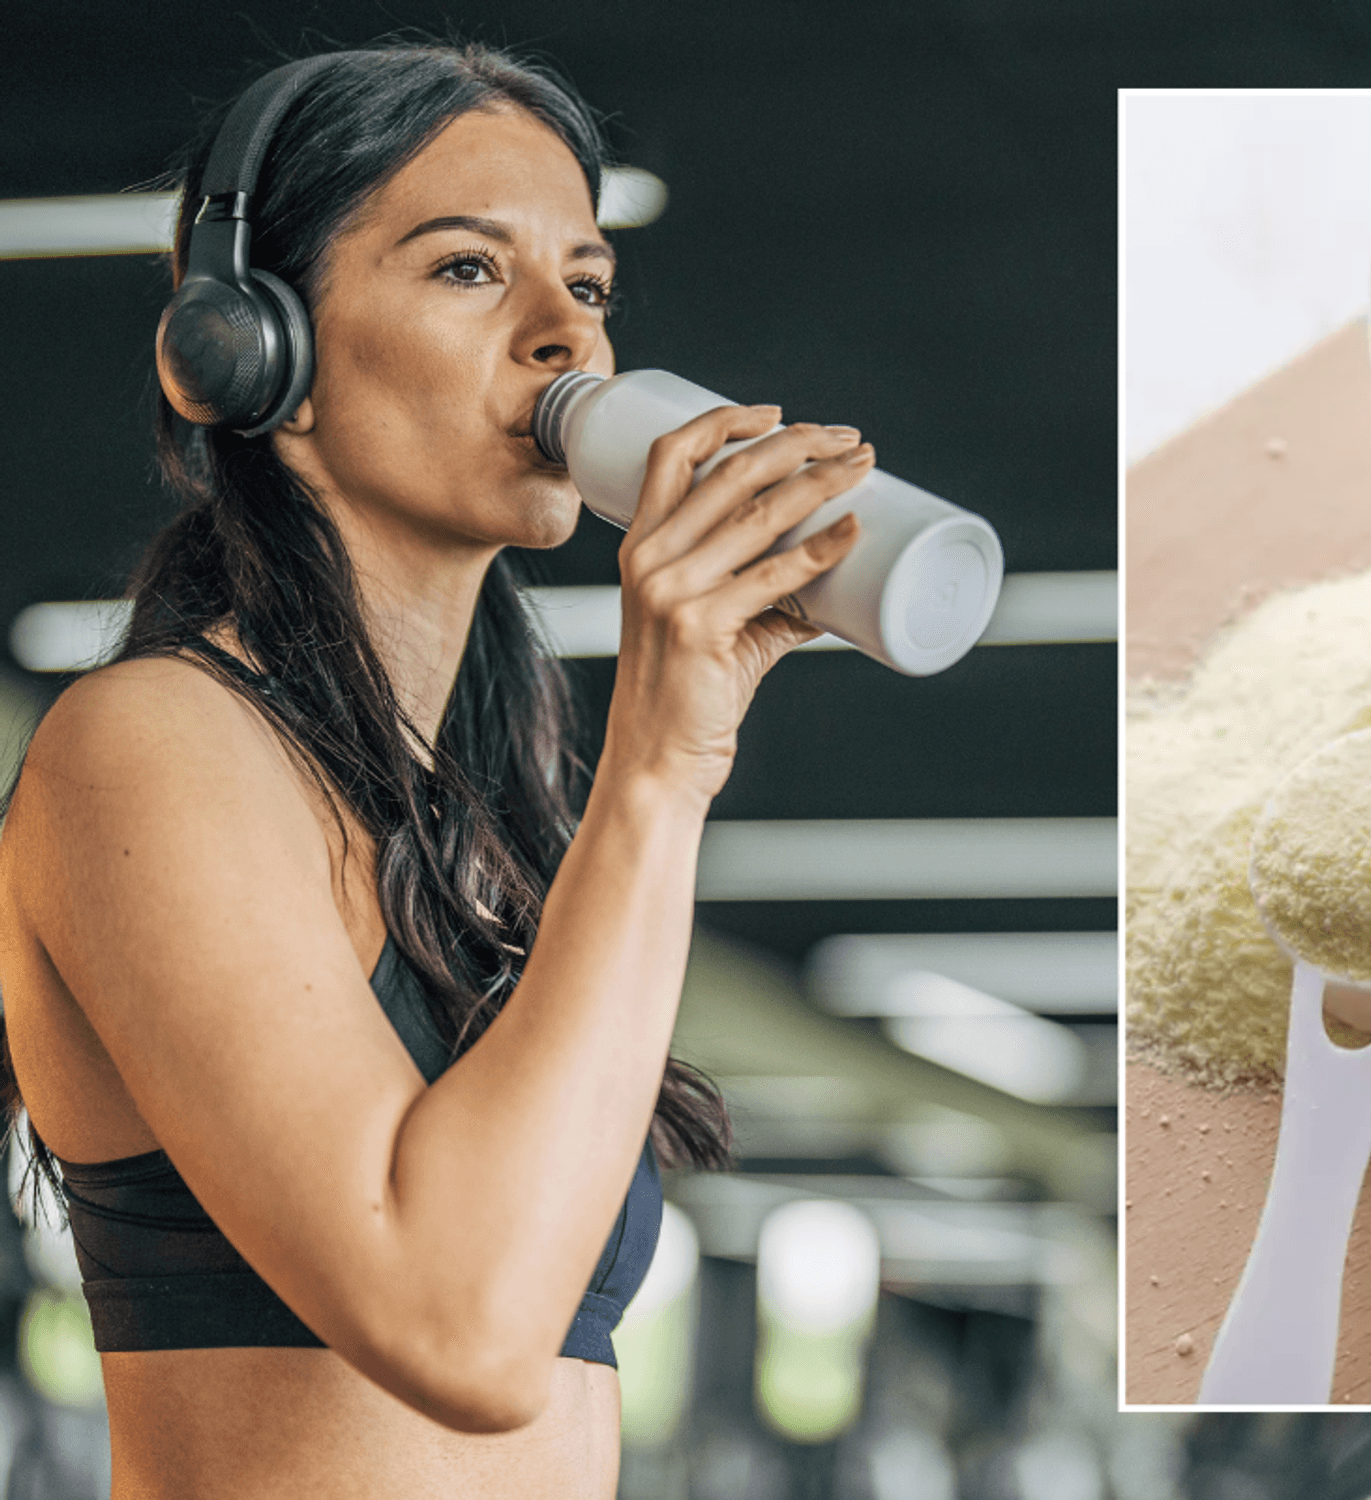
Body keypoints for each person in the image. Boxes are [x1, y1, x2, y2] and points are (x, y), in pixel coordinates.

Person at [0, 41, 872, 1497]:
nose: (566, 340)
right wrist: (664, 759)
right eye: (469, 269)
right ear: (251, 346)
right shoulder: (145, 747)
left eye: (586, 284)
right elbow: (458, 1327)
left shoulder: (475, 830)